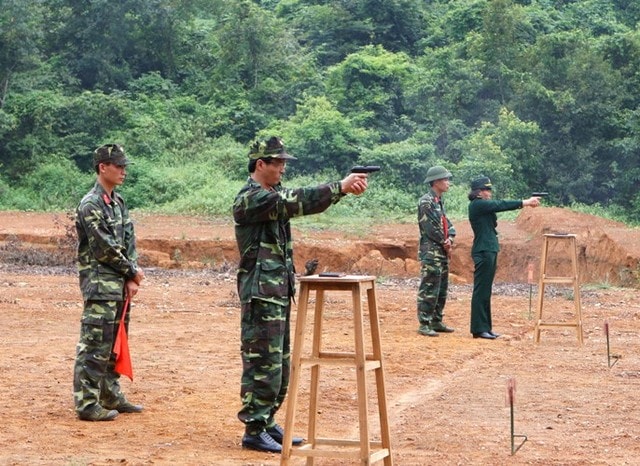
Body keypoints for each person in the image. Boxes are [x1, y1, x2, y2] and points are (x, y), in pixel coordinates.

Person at [233, 136, 368, 453]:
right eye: (277, 162)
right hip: (260, 293)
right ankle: (254, 429)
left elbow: (295, 200)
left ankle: (267, 422)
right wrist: (340, 187)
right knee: (262, 363)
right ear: (260, 164)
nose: (282, 167)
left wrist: (340, 190)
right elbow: (298, 200)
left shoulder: (271, 195)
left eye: (283, 162)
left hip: (276, 291)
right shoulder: (251, 199)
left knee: (278, 363)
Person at [73, 143, 145, 421]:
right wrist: (132, 272)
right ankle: (86, 402)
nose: (123, 171)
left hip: (119, 286)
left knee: (115, 342)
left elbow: (129, 240)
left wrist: (131, 275)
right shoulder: (91, 204)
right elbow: (104, 247)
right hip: (101, 285)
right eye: (118, 166)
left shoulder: (118, 202)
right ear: (103, 167)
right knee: (94, 345)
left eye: (125, 166)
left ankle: (110, 393)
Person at [468, 176, 540, 339]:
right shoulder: (477, 205)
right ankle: (479, 328)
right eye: (487, 190)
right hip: (484, 250)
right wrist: (525, 202)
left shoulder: (482, 206)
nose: (489, 193)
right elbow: (501, 205)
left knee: (486, 290)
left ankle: (485, 327)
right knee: (481, 291)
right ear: (479, 192)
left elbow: (495, 207)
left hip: (488, 249)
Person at [416, 165, 456, 337]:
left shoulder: (438, 202)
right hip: (432, 251)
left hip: (441, 251)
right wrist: (444, 242)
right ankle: (424, 323)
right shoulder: (426, 202)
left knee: (441, 287)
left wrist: (450, 239)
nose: (448, 183)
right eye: (445, 179)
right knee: (429, 286)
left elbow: (448, 225)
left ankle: (436, 320)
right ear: (436, 182)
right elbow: (431, 228)